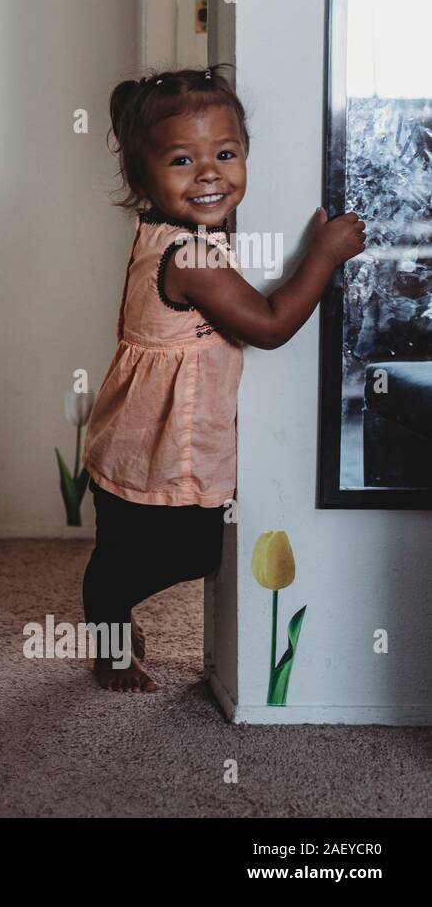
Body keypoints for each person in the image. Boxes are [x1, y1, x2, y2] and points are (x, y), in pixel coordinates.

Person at [81, 64, 366, 692]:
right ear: (142, 176)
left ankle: (109, 618)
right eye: (182, 160)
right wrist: (323, 255)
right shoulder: (191, 256)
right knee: (185, 552)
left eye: (227, 153)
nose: (210, 173)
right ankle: (107, 621)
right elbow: (268, 325)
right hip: (160, 449)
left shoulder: (173, 231)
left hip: (130, 437)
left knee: (128, 548)